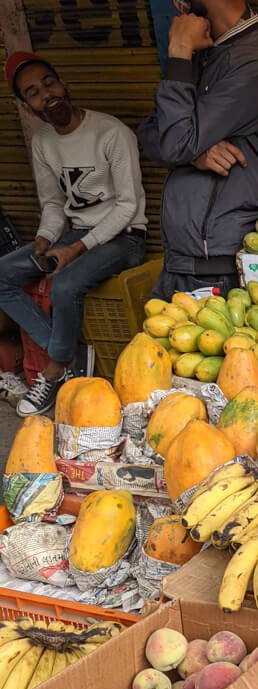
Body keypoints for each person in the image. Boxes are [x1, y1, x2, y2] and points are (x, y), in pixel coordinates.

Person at [138, 0, 258, 298]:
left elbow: (173, 141)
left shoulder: (253, 66)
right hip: (185, 262)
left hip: (217, 270)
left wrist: (178, 51)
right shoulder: (211, 49)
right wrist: (193, 152)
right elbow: (150, 133)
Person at [0, 52, 147, 416]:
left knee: (65, 285)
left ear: (62, 82)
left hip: (124, 238)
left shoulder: (112, 133)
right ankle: (63, 350)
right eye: (33, 92)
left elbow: (128, 206)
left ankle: (53, 372)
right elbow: (53, 205)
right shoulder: (43, 142)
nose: (46, 95)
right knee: (3, 274)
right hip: (76, 233)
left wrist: (75, 249)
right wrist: (43, 241)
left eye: (49, 83)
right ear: (26, 105)